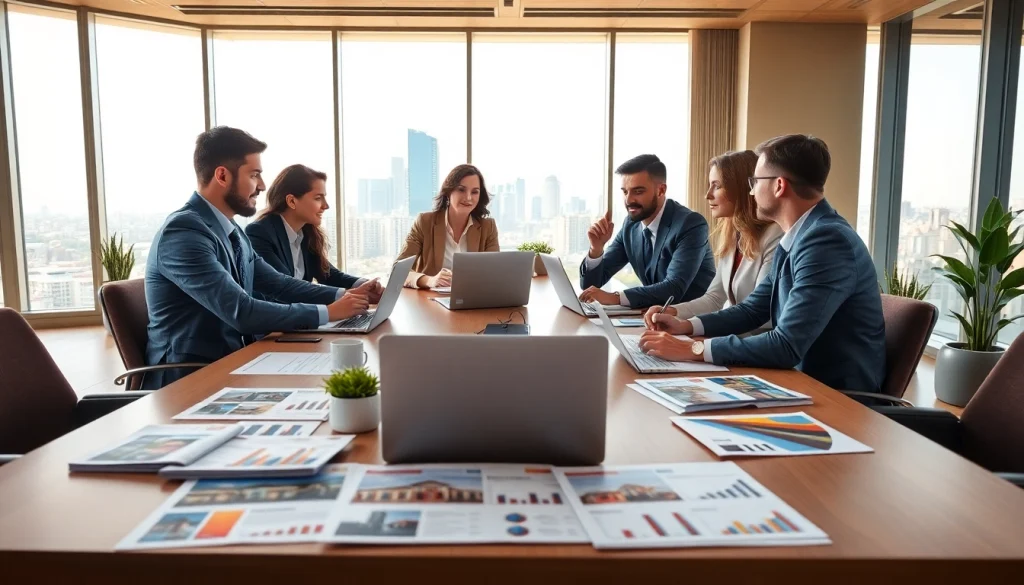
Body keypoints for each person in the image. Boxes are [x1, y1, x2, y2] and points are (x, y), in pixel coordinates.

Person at [640, 134, 886, 393]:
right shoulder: (799, 235)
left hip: (834, 396)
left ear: (779, 186)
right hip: (797, 381)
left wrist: (693, 348)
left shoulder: (826, 241)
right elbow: (753, 310)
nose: (751, 191)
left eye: (755, 182)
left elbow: (786, 345)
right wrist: (686, 326)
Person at [144, 127, 374, 389]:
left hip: (233, 362)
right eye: (254, 175)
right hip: (188, 379)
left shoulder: (232, 232)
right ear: (222, 175)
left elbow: (278, 284)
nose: (262, 186)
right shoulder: (183, 232)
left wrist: (345, 296)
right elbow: (241, 311)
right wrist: (327, 312)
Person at [643, 151, 782, 333]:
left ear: (740, 188)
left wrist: (689, 328)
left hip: (758, 343)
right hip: (735, 338)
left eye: (717, 186)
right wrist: (672, 311)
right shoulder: (733, 236)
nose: (708, 195)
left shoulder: (775, 236)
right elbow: (714, 298)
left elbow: (757, 311)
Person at [579, 154, 715, 309]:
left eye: (638, 192)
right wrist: (596, 250)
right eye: (625, 192)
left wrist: (614, 297)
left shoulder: (690, 224)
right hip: (653, 315)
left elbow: (674, 288)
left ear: (661, 190)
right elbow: (590, 286)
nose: (628, 200)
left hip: (692, 318)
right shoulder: (631, 225)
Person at [245, 164, 383, 303]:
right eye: (318, 198)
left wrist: (365, 285)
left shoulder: (306, 233)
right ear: (292, 201)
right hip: (275, 316)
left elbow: (328, 274)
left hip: (300, 314)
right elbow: (285, 287)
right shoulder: (259, 233)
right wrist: (347, 295)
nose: (326, 205)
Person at [397, 164, 500, 289]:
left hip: (473, 297)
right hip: (430, 298)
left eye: (474, 192)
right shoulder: (425, 222)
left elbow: (494, 273)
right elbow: (398, 270)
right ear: (448, 191)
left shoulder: (488, 227)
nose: (468, 198)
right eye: (461, 190)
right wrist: (430, 280)